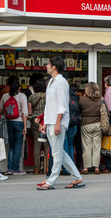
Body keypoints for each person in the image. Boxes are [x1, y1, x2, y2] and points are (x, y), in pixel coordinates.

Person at [37, 56, 83, 190]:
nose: (46, 66)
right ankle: (76, 177)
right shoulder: (52, 81)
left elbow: (62, 104)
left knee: (56, 153)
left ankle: (51, 181)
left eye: (48, 64)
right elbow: (49, 105)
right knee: (60, 152)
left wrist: (58, 123)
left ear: (54, 67)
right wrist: (45, 121)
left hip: (57, 122)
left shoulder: (61, 82)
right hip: (52, 120)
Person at [0, 79, 28, 175]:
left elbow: (0, 109)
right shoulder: (22, 96)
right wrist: (25, 126)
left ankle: (9, 169)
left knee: (11, 146)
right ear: (19, 88)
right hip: (19, 122)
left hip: (9, 123)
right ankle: (16, 169)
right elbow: (24, 112)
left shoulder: (4, 96)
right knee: (18, 146)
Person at [78, 82, 102, 174]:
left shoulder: (82, 100)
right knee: (97, 146)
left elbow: (79, 110)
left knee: (86, 146)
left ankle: (86, 168)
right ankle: (96, 167)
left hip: (85, 124)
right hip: (97, 123)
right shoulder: (100, 99)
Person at [27, 79, 46, 174]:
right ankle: (47, 168)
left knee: (37, 144)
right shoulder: (48, 96)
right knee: (47, 144)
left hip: (35, 120)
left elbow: (30, 112)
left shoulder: (31, 97)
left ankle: (36, 168)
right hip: (46, 120)